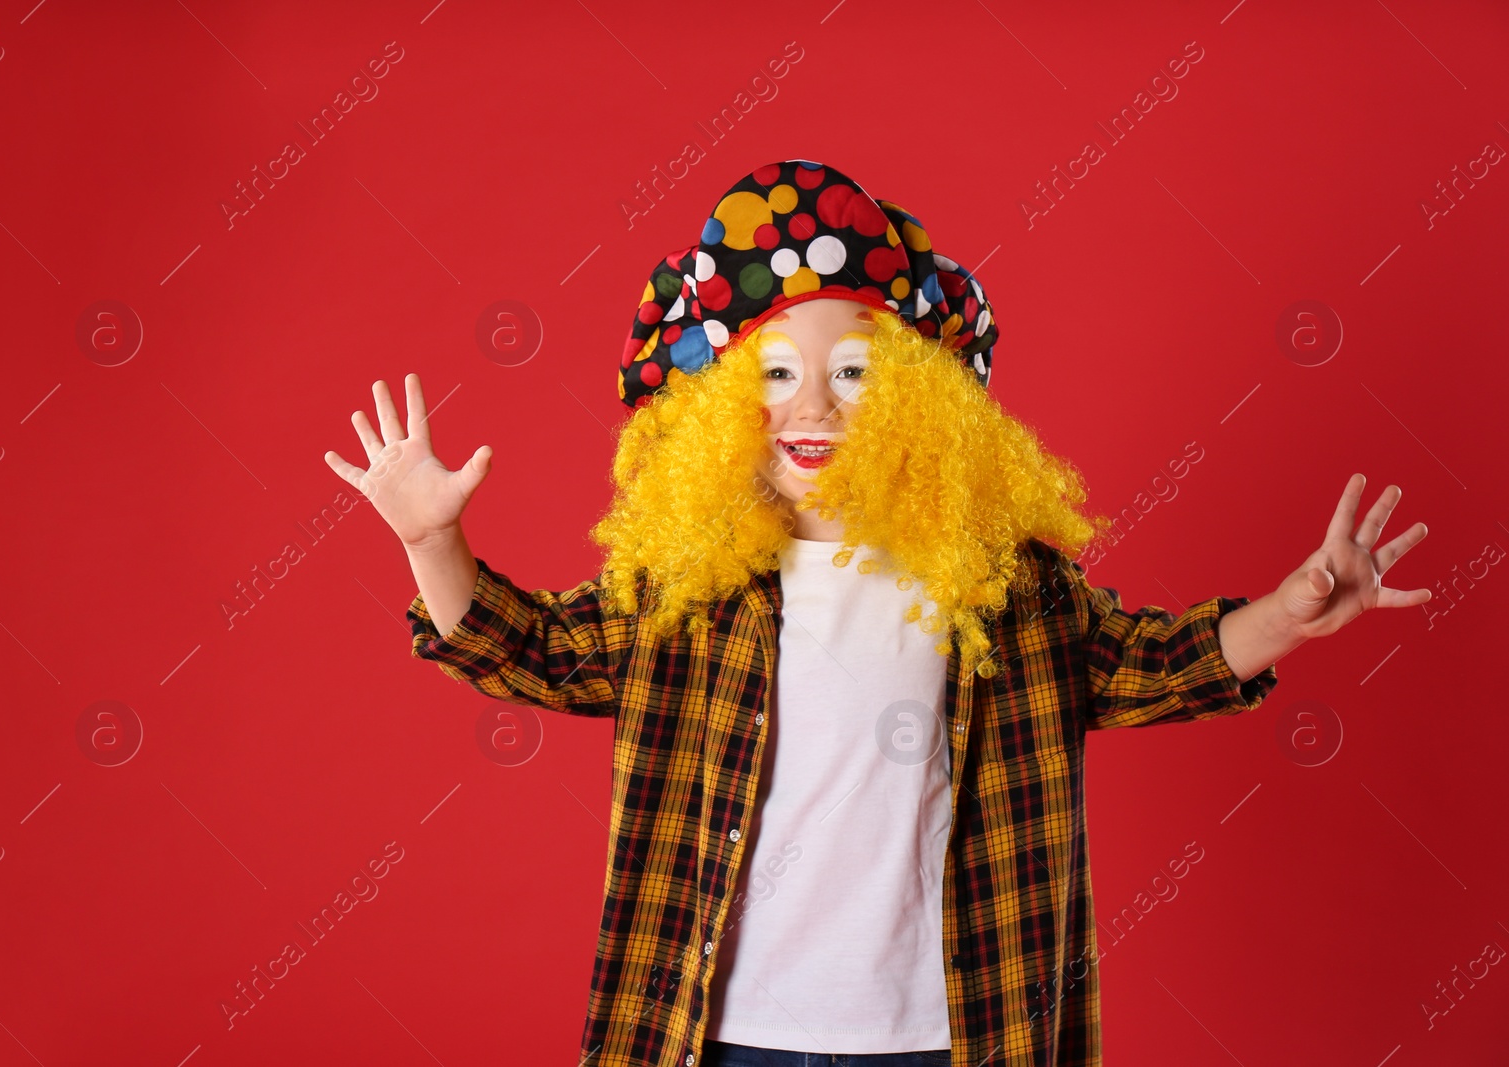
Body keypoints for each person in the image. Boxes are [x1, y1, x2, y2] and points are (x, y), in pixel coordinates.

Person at [323, 160, 1432, 1067]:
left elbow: (1149, 663)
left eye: (851, 372)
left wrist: (1290, 612)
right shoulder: (686, 595)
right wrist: (432, 537)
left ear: (913, 395)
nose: (811, 404)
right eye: (772, 376)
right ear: (715, 407)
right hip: (722, 1030)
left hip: (952, 1030)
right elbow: (529, 651)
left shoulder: (993, 583)